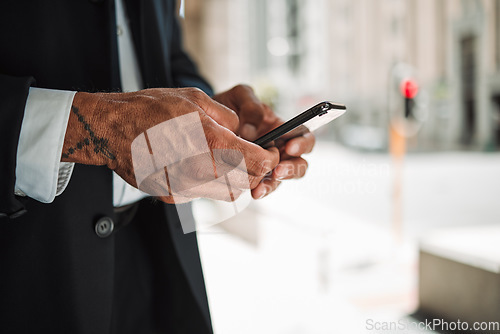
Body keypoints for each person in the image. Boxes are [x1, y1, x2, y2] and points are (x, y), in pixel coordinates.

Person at [0, 0, 315, 333]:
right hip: (28, 267)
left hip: (158, 253)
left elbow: (169, 53)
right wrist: (101, 124)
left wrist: (215, 118)